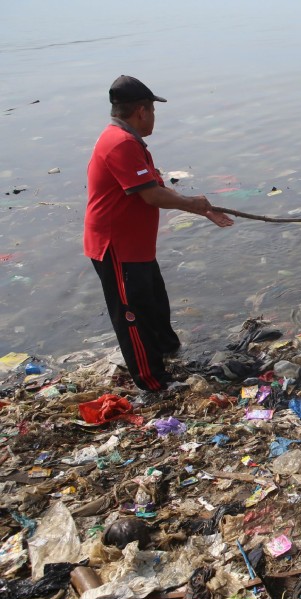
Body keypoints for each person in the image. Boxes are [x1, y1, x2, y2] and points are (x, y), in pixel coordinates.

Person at [84, 75, 234, 393]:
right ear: (141, 111)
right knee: (132, 314)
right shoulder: (120, 144)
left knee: (154, 304)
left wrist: (202, 208)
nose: (153, 116)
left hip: (136, 247)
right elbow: (151, 195)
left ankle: (169, 353)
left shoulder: (129, 141)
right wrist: (195, 204)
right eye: (152, 110)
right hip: (117, 247)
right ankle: (153, 383)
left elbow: (153, 189)